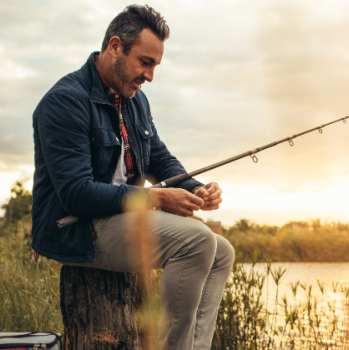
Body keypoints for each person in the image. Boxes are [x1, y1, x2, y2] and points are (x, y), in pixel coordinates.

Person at [31, 4, 234, 350]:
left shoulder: (135, 101)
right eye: (145, 62)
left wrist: (196, 188)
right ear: (115, 47)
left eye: (155, 65)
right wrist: (154, 198)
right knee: (198, 242)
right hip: (76, 226)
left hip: (120, 218)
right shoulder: (65, 101)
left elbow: (160, 159)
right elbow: (76, 194)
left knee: (222, 251)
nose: (150, 76)